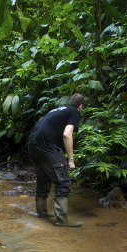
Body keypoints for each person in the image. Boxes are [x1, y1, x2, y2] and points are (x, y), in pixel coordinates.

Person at [28, 93, 87, 227]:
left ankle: (41, 212)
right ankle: (61, 220)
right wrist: (71, 160)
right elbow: (67, 134)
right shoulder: (74, 112)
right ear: (81, 106)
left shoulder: (58, 110)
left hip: (32, 144)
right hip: (46, 146)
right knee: (63, 181)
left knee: (44, 178)